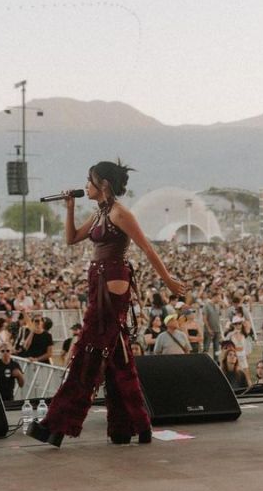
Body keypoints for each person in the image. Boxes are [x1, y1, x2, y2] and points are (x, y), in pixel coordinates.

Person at [29, 160, 184, 447]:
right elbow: (72, 238)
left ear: (103, 185)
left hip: (112, 283)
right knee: (116, 356)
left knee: (88, 352)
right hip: (100, 281)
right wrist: (70, 208)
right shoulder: (101, 213)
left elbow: (147, 247)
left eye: (89, 180)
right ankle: (133, 424)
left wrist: (169, 281)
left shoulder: (119, 213)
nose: (84, 185)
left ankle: (57, 424)